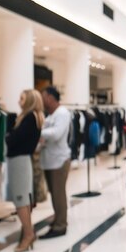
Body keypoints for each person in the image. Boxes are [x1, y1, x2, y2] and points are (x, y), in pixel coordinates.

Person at [6, 89, 44, 252]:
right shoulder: (33, 117)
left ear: (29, 100)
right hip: (21, 161)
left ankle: (28, 235)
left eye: (21, 98)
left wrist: (7, 134)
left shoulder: (29, 118)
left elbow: (13, 140)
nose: (18, 101)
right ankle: (29, 233)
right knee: (23, 200)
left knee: (20, 200)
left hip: (20, 162)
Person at [39, 86, 72, 239]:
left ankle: (60, 225)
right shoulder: (51, 115)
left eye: (43, 96)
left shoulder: (62, 113)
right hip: (50, 161)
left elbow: (57, 134)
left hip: (59, 161)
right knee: (54, 194)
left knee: (58, 194)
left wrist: (37, 132)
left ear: (51, 98)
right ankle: (58, 219)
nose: (42, 99)